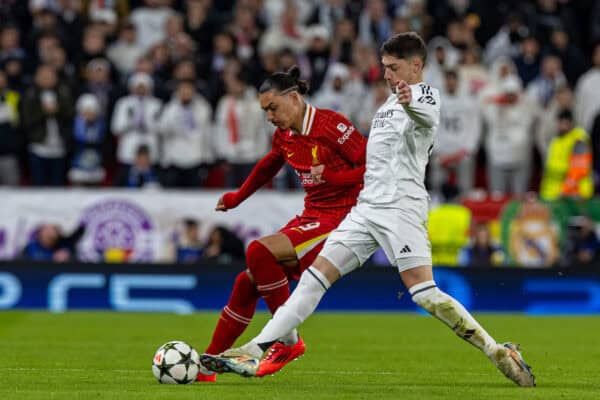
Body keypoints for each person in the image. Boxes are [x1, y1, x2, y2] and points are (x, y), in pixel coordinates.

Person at [202, 32, 535, 388]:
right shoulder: (386, 107)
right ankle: (258, 348)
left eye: (394, 68)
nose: (388, 76)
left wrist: (410, 103)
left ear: (416, 65)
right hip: (365, 211)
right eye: (384, 68)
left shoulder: (425, 96)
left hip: (401, 209)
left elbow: (425, 120)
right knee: (313, 281)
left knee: (425, 295)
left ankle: (497, 350)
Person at [197, 65, 367, 382]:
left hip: (342, 220)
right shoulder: (285, 134)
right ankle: (207, 368)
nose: (270, 117)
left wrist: (333, 176)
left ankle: (288, 340)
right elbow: (270, 164)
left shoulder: (333, 125)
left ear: (294, 98)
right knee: (246, 282)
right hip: (311, 215)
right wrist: (238, 197)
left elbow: (371, 165)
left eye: (272, 108)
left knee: (259, 252)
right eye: (265, 111)